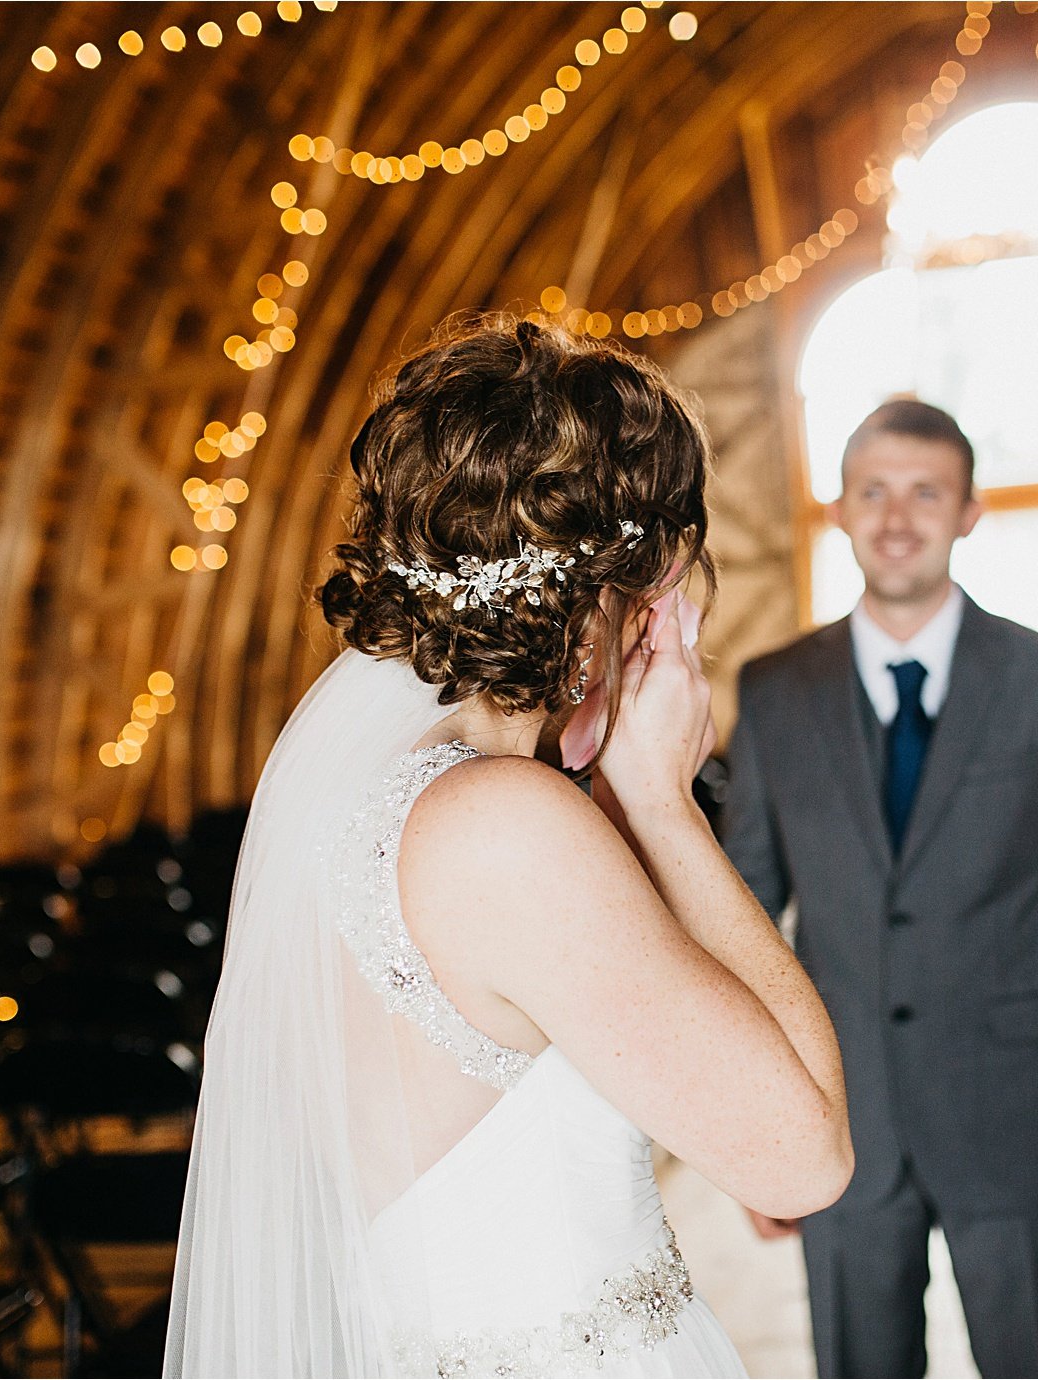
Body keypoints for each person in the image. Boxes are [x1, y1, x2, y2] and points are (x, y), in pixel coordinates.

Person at [165, 315, 852, 1379]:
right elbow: (802, 1163)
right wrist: (661, 799)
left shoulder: (377, 797)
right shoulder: (505, 826)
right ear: (624, 599)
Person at [719, 398, 1038, 1379]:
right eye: (874, 492)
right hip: (836, 1131)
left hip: (1025, 1130)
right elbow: (743, 920)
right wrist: (747, 1123)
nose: (897, 518)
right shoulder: (772, 692)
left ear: (969, 510)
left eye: (926, 492)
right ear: (839, 509)